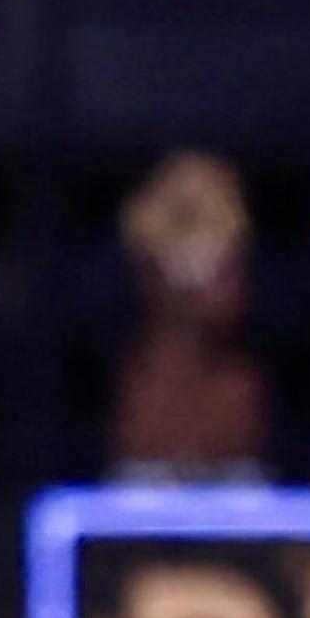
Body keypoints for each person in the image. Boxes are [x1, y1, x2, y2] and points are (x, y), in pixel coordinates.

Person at [108, 150, 268, 484]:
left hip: (228, 449)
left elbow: (225, 313)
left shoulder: (232, 265)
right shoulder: (142, 262)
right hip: (152, 441)